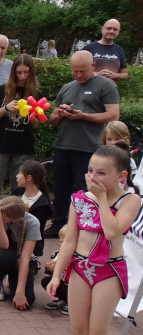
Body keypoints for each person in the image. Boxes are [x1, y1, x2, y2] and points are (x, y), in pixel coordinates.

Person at [47, 146, 141, 335]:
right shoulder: (79, 198)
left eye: (102, 173)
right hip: (80, 266)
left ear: (121, 175)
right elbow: (70, 241)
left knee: (97, 333)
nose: (93, 177)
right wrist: (57, 274)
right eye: (90, 170)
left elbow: (112, 232)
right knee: (78, 330)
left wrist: (101, 198)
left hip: (108, 270)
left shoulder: (130, 201)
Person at [46, 50, 120, 237]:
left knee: (86, 189)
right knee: (60, 188)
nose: (78, 75)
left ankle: (85, 226)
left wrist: (84, 116)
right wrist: (60, 113)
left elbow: (113, 115)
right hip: (63, 145)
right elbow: (52, 119)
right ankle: (59, 224)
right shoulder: (67, 87)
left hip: (89, 147)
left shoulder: (106, 86)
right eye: (75, 71)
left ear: (93, 66)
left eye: (82, 71)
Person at [0, 54, 41, 197]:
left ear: (31, 72)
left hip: (23, 145)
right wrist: (6, 108)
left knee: (20, 188)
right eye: (19, 72)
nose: (22, 76)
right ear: (13, 73)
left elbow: (35, 125)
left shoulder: (35, 92)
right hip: (0, 144)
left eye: (26, 72)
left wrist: (29, 112)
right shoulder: (3, 90)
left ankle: (15, 217)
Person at [0, 197, 41, 310]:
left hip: (21, 254)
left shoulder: (32, 222)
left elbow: (25, 258)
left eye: (3, 215)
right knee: (3, 257)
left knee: (27, 301)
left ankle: (13, 279)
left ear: (14, 219)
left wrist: (20, 292)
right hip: (1, 251)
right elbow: (3, 245)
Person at [12, 160, 54, 235]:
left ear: (28, 178)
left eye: (20, 173)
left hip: (31, 242)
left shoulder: (42, 204)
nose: (17, 176)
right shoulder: (17, 193)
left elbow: (34, 230)